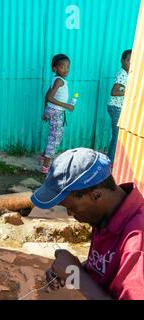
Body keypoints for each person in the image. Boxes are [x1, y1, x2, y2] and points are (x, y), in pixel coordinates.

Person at [31, 148, 144, 300]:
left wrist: (78, 277)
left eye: (71, 208)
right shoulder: (105, 216)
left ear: (96, 195)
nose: (70, 214)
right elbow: (109, 269)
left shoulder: (137, 242)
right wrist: (74, 269)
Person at [40, 54, 75, 174]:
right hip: (56, 112)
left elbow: (46, 95)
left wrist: (45, 112)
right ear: (55, 68)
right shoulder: (59, 81)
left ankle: (44, 155)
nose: (66, 70)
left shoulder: (57, 79)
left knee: (54, 134)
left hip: (51, 111)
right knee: (55, 138)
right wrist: (67, 106)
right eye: (62, 67)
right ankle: (45, 167)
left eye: (68, 67)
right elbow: (50, 97)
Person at [107, 49, 132, 162]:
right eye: (128, 60)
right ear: (122, 61)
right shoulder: (122, 74)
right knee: (116, 136)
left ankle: (113, 158)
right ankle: (110, 161)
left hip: (118, 108)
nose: (130, 63)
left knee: (119, 136)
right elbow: (114, 92)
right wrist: (127, 92)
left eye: (133, 61)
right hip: (116, 108)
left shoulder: (127, 73)